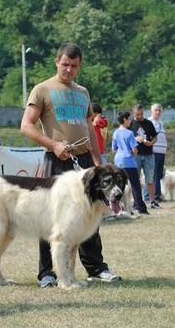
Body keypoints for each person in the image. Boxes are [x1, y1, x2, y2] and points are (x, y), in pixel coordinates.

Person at [20, 42, 121, 287]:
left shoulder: (83, 92)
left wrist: (99, 162)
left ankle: (96, 268)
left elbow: (89, 128)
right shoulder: (42, 89)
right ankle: (48, 273)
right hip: (56, 160)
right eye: (65, 64)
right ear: (57, 62)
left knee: (92, 214)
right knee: (50, 217)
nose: (68, 70)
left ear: (79, 66)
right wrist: (53, 144)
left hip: (85, 163)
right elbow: (26, 126)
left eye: (73, 65)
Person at [111, 111, 144, 215]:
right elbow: (134, 150)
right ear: (125, 120)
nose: (130, 121)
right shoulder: (129, 133)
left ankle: (119, 209)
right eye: (129, 119)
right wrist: (133, 154)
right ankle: (140, 208)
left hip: (118, 162)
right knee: (135, 185)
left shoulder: (115, 133)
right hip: (129, 162)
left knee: (119, 186)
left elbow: (113, 149)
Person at [130, 104, 157, 212]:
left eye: (141, 114)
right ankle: (135, 201)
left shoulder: (148, 123)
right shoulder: (130, 123)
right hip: (136, 155)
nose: (139, 116)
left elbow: (155, 136)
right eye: (137, 114)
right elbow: (127, 137)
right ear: (134, 113)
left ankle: (152, 201)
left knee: (149, 179)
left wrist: (151, 143)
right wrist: (137, 138)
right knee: (134, 179)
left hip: (148, 154)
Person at [148, 103, 167, 203]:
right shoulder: (149, 121)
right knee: (155, 174)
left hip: (162, 151)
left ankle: (157, 194)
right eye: (156, 110)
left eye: (159, 110)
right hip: (155, 150)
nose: (158, 112)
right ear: (151, 111)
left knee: (159, 174)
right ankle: (155, 195)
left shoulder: (160, 122)